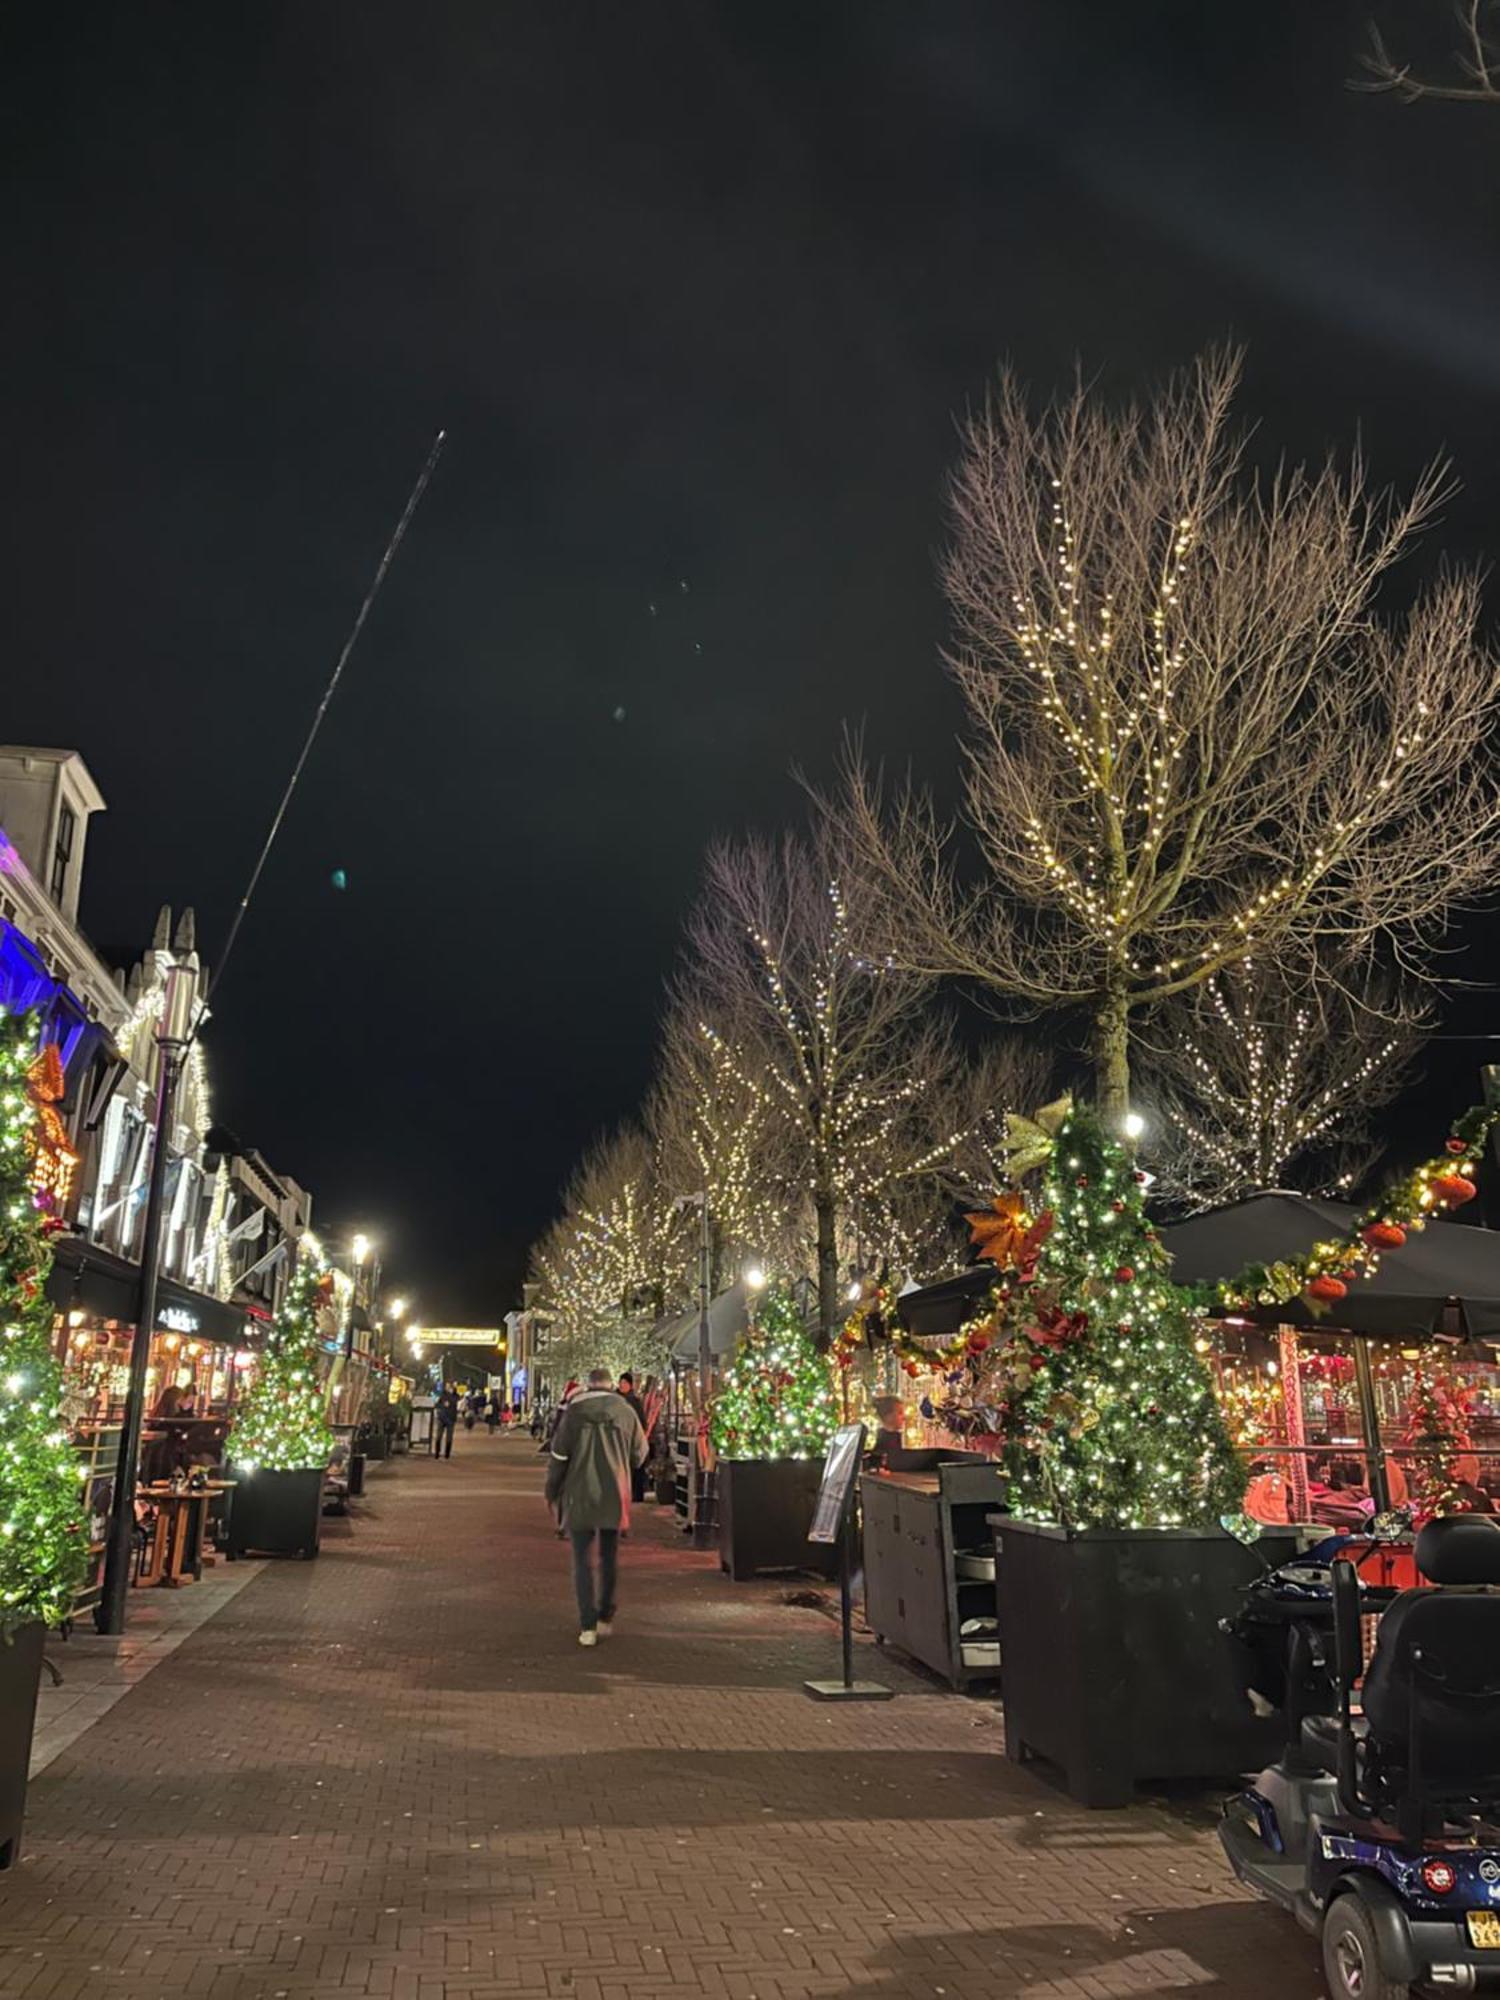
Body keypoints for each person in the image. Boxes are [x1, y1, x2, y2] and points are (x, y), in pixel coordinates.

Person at [545, 1366, 648, 1646]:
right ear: (611, 1385)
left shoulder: (574, 1414)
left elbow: (559, 1455)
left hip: (580, 1492)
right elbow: (640, 1453)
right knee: (608, 1556)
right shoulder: (625, 1412)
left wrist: (552, 1490)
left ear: (589, 1387)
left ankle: (587, 1624)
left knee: (581, 1560)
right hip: (614, 1494)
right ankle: (606, 1613)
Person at [617, 1372, 649, 1503]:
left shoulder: (635, 1401)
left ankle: (636, 1494)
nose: (622, 1385)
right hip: (618, 1438)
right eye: (621, 1382)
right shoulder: (614, 1399)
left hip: (632, 1437)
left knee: (635, 1466)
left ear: (630, 1385)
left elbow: (641, 1421)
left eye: (625, 1383)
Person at [866, 1395, 907, 1471]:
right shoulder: (884, 1441)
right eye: (900, 1413)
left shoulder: (900, 1438)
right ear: (888, 1416)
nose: (904, 1417)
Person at [433, 1383, 460, 1459]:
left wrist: (452, 1394)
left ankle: (447, 1454)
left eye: (450, 1387)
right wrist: (442, 1405)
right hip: (442, 1418)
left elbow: (456, 1401)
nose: (448, 1388)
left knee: (449, 1438)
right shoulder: (442, 1395)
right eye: (447, 1387)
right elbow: (437, 1404)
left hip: (451, 1419)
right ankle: (437, 1452)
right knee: (438, 1436)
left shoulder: (455, 1396)